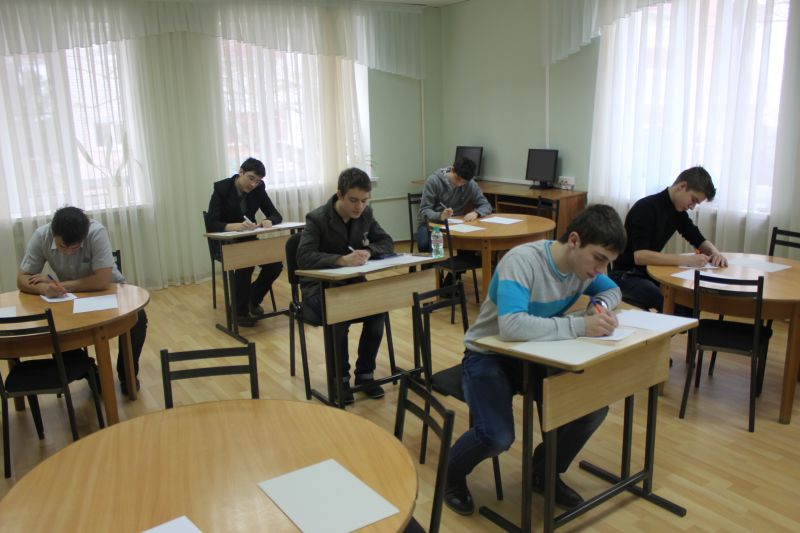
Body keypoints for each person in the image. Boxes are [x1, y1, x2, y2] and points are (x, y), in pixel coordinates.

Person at [444, 204, 627, 516]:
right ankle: (450, 474)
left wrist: (598, 306)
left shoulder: (584, 270)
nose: (601, 269)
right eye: (599, 258)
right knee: (497, 436)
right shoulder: (523, 261)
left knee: (590, 410)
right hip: (489, 355)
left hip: (537, 354)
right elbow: (512, 326)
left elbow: (614, 290)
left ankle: (543, 472)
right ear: (574, 240)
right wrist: (580, 326)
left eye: (607, 262)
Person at [18, 206, 148, 395]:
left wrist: (58, 284)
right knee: (55, 329)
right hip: (70, 296)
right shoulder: (42, 236)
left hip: (110, 290)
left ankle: (127, 374)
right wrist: (44, 288)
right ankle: (90, 371)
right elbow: (22, 278)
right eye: (62, 247)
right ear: (53, 233)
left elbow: (102, 280)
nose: (68, 252)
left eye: (74, 248)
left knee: (138, 319)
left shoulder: (96, 232)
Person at [296, 167, 394, 405]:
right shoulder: (317, 218)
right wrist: (340, 260)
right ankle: (339, 379)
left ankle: (365, 374)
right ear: (339, 195)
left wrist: (369, 251)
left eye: (364, 200)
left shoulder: (366, 214)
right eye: (353, 200)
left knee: (378, 312)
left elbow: (386, 241)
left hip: (352, 285)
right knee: (339, 316)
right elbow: (303, 257)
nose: (359, 206)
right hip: (319, 289)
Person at [609, 166, 727, 312]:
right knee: (677, 305)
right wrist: (687, 260)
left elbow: (698, 238)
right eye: (693, 200)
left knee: (689, 301)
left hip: (648, 272)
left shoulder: (677, 211)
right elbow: (640, 256)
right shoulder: (645, 208)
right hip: (625, 276)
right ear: (682, 186)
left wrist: (716, 253)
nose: (692, 207)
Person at [207, 157, 284, 327]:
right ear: (240, 172)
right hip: (224, 242)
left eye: (258, 181)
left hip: (247, 240)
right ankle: (239, 311)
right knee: (245, 264)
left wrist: (269, 220)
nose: (253, 184)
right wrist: (234, 226)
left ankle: (251, 299)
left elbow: (276, 214)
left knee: (275, 265)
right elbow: (211, 223)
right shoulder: (222, 188)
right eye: (251, 178)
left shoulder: (258, 189)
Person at [416, 157, 493, 252]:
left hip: (457, 224)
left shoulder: (471, 185)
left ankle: (459, 261)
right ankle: (433, 262)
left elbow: (486, 205)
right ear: (452, 170)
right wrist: (440, 216)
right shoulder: (433, 181)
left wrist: (476, 213)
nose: (459, 184)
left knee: (471, 242)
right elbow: (424, 211)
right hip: (432, 223)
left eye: (464, 182)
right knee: (425, 243)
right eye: (457, 179)